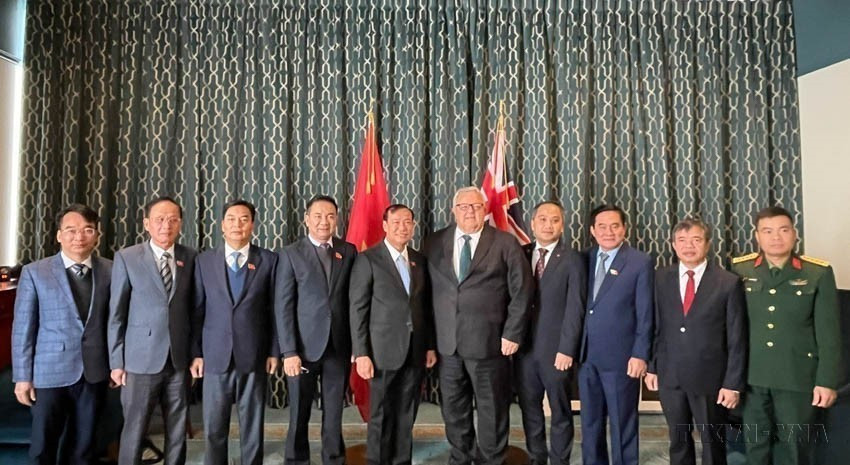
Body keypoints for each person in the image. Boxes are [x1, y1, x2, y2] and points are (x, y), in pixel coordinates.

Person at [423, 186, 533, 465]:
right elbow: (423, 295)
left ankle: (492, 459)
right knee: (453, 410)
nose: (470, 211)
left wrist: (512, 333)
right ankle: (460, 457)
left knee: (492, 410)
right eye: (463, 207)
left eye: (475, 206)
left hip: (490, 344)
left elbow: (522, 291)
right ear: (453, 210)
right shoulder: (434, 242)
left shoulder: (505, 243)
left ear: (484, 210)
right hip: (448, 345)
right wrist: (428, 343)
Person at [731, 206, 842, 465]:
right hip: (752, 377)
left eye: (783, 230)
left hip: (797, 377)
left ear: (794, 234)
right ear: (757, 236)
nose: (776, 237)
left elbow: (829, 334)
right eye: (767, 231)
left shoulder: (817, 273)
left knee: (794, 448)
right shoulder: (740, 270)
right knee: (755, 445)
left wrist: (827, 380)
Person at [12, 203, 113, 465]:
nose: (79, 236)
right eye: (71, 230)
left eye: (87, 230)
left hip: (94, 371)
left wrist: (116, 364)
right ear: (58, 235)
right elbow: (23, 328)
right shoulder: (35, 272)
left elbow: (116, 323)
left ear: (97, 234)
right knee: (43, 445)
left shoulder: (111, 270)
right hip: (48, 373)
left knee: (85, 447)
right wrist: (23, 377)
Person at [644, 218, 747, 465]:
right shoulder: (660, 278)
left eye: (696, 240)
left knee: (713, 441)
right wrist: (651, 366)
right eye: (682, 240)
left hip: (711, 379)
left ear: (708, 244)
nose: (688, 246)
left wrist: (732, 384)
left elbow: (737, 338)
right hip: (671, 376)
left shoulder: (728, 282)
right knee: (678, 440)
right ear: (673, 244)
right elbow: (654, 326)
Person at [108, 195, 197, 465]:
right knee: (134, 428)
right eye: (159, 219)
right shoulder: (127, 258)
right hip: (139, 360)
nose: (165, 225)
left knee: (177, 428)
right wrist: (116, 361)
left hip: (179, 360)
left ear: (180, 223)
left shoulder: (190, 257)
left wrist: (195, 354)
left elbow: (196, 311)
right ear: (147, 223)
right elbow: (116, 315)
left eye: (172, 220)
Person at [190, 199, 280, 465]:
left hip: (253, 354)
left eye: (243, 219)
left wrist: (274, 351)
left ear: (252, 224)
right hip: (215, 354)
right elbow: (197, 310)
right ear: (222, 225)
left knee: (252, 424)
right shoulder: (204, 261)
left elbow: (275, 309)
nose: (237, 224)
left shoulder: (268, 260)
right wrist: (196, 353)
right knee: (214, 424)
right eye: (231, 219)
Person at [349, 203, 437, 465]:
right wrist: (361, 352)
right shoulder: (368, 259)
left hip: (415, 350)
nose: (402, 227)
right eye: (396, 222)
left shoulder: (419, 260)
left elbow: (425, 307)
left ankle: (401, 461)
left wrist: (429, 346)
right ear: (385, 226)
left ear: (413, 226)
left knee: (406, 413)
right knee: (381, 414)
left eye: (408, 222)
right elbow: (357, 309)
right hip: (380, 351)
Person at [275, 195, 357, 465]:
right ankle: (296, 460)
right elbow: (283, 306)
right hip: (303, 349)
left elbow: (354, 302)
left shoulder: (348, 251)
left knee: (334, 413)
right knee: (299, 412)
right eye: (318, 216)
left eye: (330, 216)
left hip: (338, 346)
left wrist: (357, 346)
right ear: (306, 219)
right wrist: (288, 351)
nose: (324, 221)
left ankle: (334, 459)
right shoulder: (290, 253)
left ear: (337, 219)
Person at [579, 204, 653, 465]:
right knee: (590, 424)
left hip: (622, 360)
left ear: (624, 229)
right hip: (587, 358)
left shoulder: (639, 262)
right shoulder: (583, 259)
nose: (608, 232)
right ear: (592, 230)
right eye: (602, 226)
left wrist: (640, 354)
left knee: (623, 424)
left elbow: (646, 313)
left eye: (615, 226)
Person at [515, 200, 586, 465]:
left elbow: (575, 308)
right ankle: (536, 458)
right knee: (529, 410)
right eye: (542, 219)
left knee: (560, 411)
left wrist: (567, 349)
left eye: (554, 220)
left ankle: (559, 460)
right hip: (524, 352)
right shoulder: (520, 253)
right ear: (532, 224)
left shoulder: (573, 259)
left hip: (557, 352)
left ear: (562, 225)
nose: (548, 224)